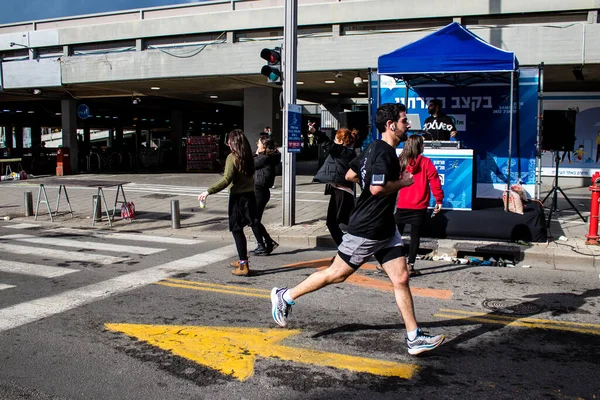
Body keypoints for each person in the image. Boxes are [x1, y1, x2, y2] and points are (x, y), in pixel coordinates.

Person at [270, 103, 445, 356]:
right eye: (404, 120)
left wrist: (375, 181)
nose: (408, 125)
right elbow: (376, 189)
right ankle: (285, 296)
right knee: (336, 274)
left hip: (385, 228)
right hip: (368, 229)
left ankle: (414, 337)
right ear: (391, 125)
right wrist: (404, 182)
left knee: (401, 278)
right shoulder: (383, 152)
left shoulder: (372, 147)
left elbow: (351, 174)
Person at [198, 129, 256, 276]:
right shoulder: (249, 156)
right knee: (241, 228)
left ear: (233, 142)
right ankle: (242, 259)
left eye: (229, 140)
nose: (227, 143)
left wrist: (208, 191)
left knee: (236, 230)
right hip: (250, 196)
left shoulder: (232, 157)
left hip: (237, 198)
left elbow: (226, 179)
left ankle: (243, 264)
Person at [396, 134, 444, 277]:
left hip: (402, 204)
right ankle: (410, 266)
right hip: (419, 206)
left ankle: (395, 265)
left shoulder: (400, 162)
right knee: (415, 236)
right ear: (419, 147)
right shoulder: (426, 162)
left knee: (396, 236)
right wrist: (439, 200)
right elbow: (435, 181)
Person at [310, 123, 358, 246]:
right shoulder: (346, 152)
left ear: (341, 141)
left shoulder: (342, 151)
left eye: (336, 138)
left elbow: (327, 144)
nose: (334, 140)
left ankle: (346, 248)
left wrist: (315, 132)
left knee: (335, 223)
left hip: (341, 191)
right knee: (343, 221)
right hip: (340, 190)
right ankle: (347, 247)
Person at [249, 133, 281, 256]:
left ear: (264, 145)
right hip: (261, 191)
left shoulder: (263, 158)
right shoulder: (267, 157)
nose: (257, 144)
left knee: (253, 220)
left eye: (259, 143)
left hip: (259, 191)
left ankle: (262, 245)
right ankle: (267, 242)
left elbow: (249, 163)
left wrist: (256, 153)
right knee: (254, 219)